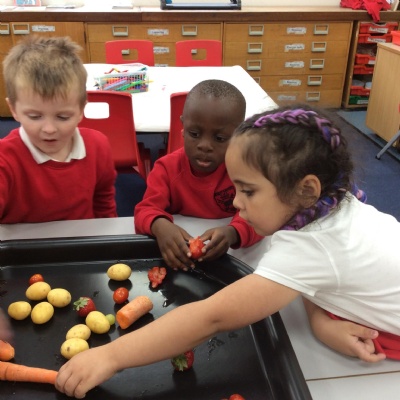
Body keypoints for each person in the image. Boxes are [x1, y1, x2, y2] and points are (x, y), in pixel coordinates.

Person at [56, 105, 400, 399]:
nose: (235, 202)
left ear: (305, 189)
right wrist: (319, 319)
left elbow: (212, 317)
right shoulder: (332, 202)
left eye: (248, 191)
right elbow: (317, 273)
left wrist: (110, 357)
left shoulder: (312, 246)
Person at [134, 79, 262, 270]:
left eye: (219, 138)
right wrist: (160, 226)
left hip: (234, 259)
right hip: (181, 260)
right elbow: (145, 210)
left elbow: (260, 216)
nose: (204, 146)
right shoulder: (166, 169)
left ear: (239, 134)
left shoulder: (246, 171)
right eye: (194, 134)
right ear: (183, 126)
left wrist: (233, 232)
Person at [0, 36, 117, 224]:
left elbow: (103, 202)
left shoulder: (98, 145)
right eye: (35, 116)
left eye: (63, 117)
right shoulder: (5, 158)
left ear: (81, 110)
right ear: (13, 109)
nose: (49, 129)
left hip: (84, 239)